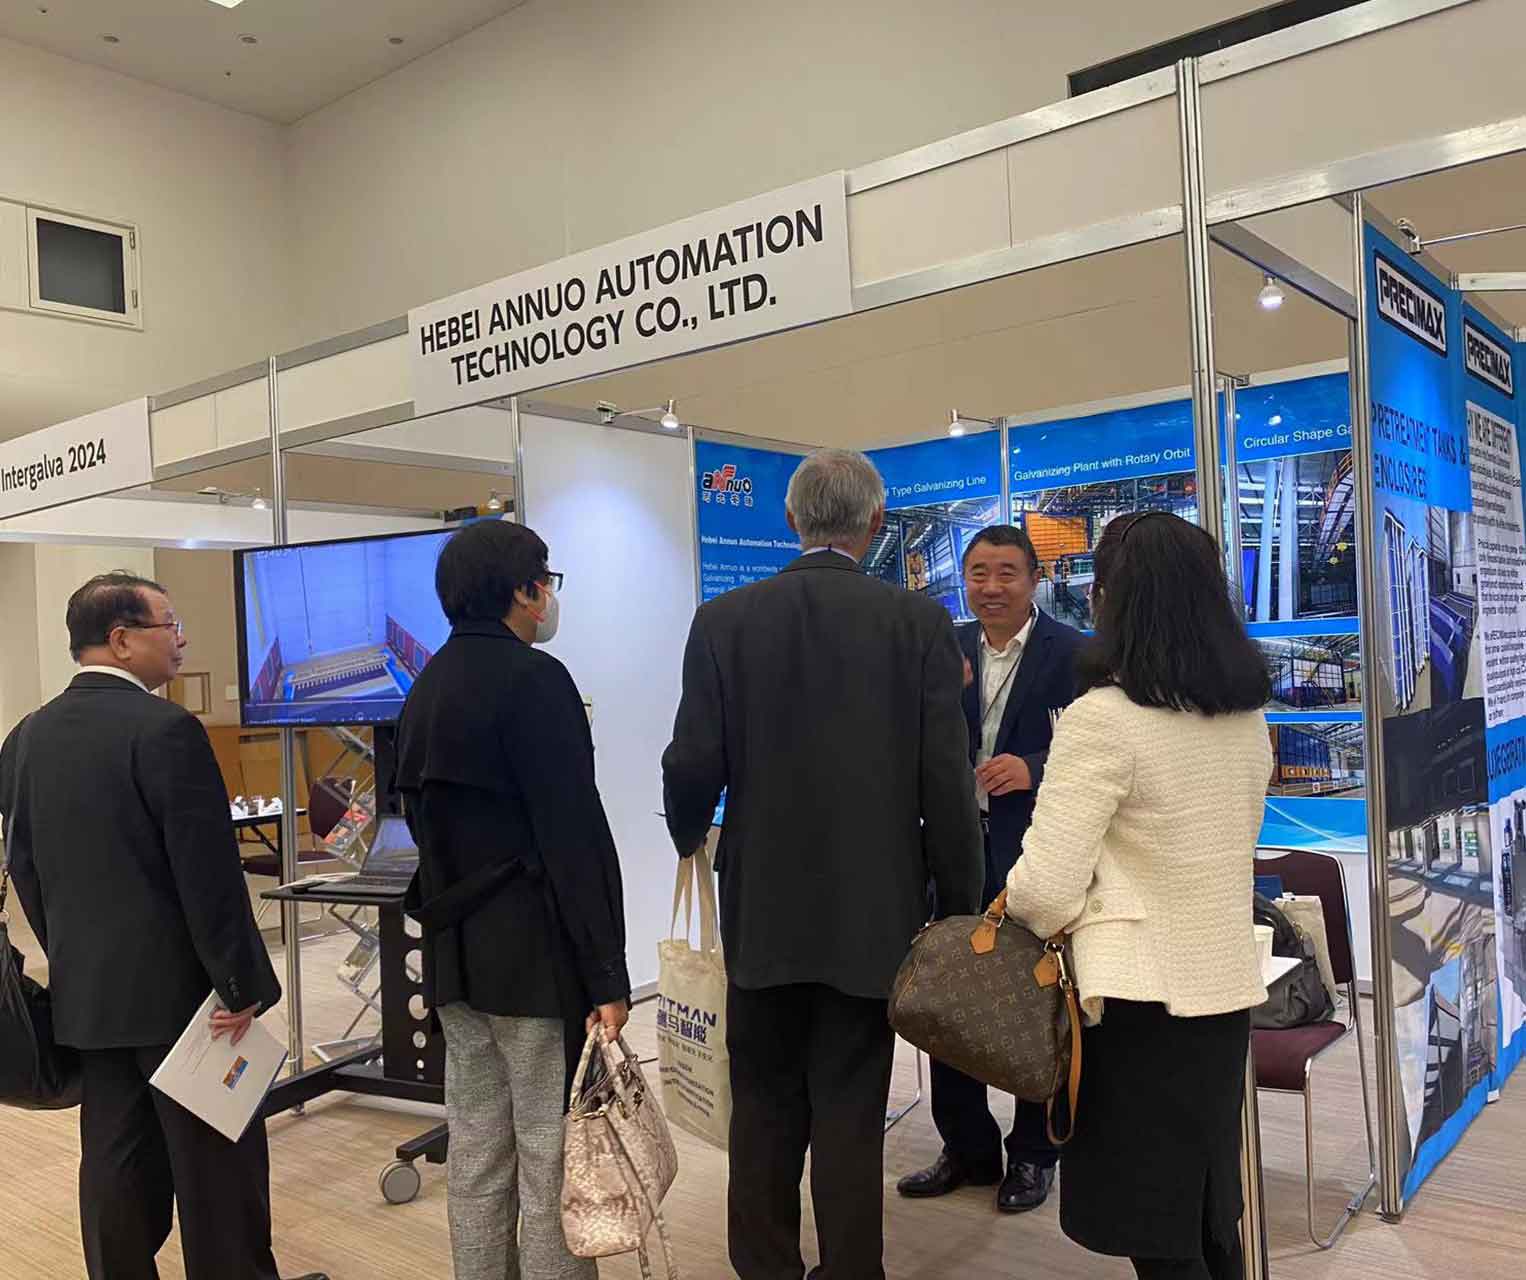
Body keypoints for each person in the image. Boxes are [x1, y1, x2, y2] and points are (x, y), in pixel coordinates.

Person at [663, 448, 983, 1280]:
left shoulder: (723, 621)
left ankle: (765, 1266)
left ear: (790, 521)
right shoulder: (918, 624)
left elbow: (690, 762)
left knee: (762, 1102)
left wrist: (688, 834)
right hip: (875, 911)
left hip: (762, 905)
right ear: (875, 523)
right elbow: (947, 782)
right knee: (850, 1104)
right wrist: (959, 905)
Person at [0, 573, 324, 1280]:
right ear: (121, 640)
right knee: (217, 1168)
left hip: (87, 996)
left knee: (115, 1160)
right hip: (187, 1002)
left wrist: (72, 957)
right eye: (168, 626)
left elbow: (24, 870)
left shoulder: (23, 739)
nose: (181, 640)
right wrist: (240, 984)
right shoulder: (167, 730)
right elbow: (207, 876)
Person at [1002, 511, 1273, 1280]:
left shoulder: (1104, 719)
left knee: (1155, 1228)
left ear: (1109, 600)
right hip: (1221, 989)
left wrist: (1029, 901)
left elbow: (1044, 889)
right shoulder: (1245, 716)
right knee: (1207, 1209)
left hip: (1134, 1005)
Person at [393, 518, 629, 1280]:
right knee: (552, 1150)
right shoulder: (537, 681)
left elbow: (421, 828)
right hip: (534, 958)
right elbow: (573, 837)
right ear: (524, 591)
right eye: (546, 581)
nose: (550, 597)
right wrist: (606, 973)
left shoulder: (424, 687)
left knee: (477, 1148)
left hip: (455, 958)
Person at [897, 525, 1084, 1212]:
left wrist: (1034, 767)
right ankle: (966, 1147)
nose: (991, 586)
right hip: (953, 850)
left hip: (1035, 853)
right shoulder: (942, 647)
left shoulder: (1074, 654)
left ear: (1035, 578)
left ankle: (1035, 1153)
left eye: (1007, 572)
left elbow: (1098, 750)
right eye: (979, 572)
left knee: (1038, 999)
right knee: (949, 995)